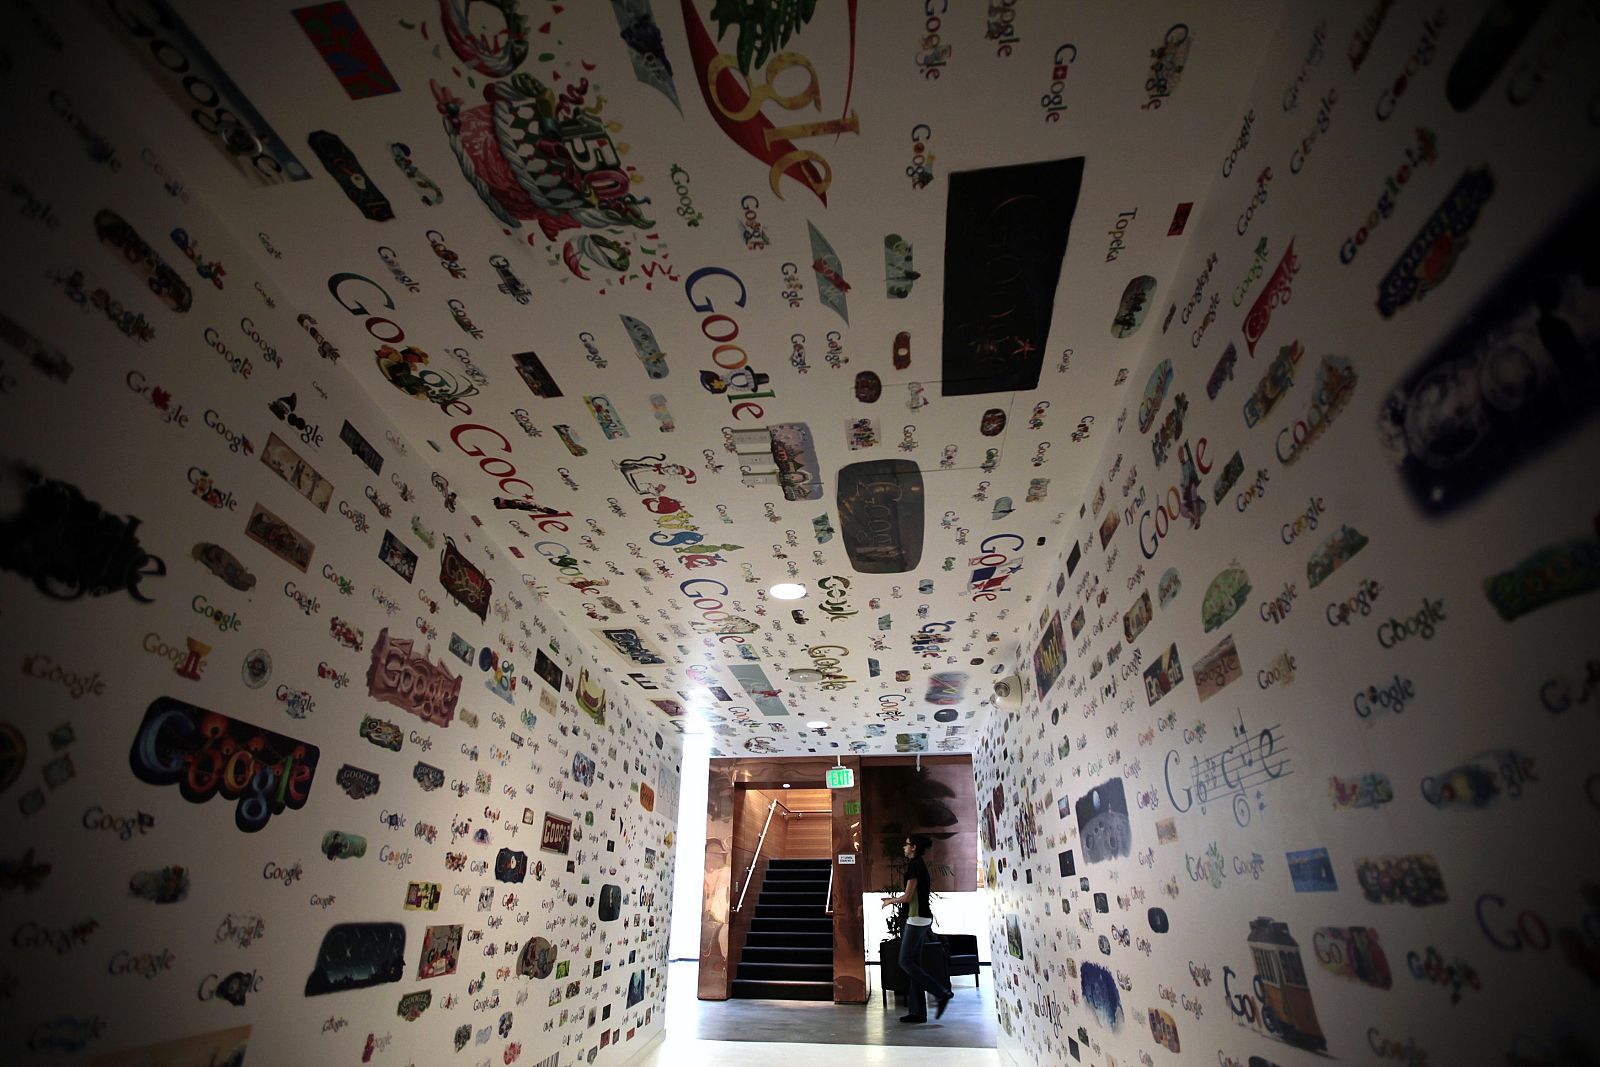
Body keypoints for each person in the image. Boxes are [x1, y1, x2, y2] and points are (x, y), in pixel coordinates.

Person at [881, 835, 953, 1023]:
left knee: (905, 961)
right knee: (914, 965)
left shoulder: (915, 866)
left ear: (913, 847)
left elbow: (907, 897)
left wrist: (889, 901)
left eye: (906, 845)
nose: (903, 847)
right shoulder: (918, 864)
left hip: (916, 919)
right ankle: (918, 1012)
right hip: (922, 918)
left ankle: (941, 993)